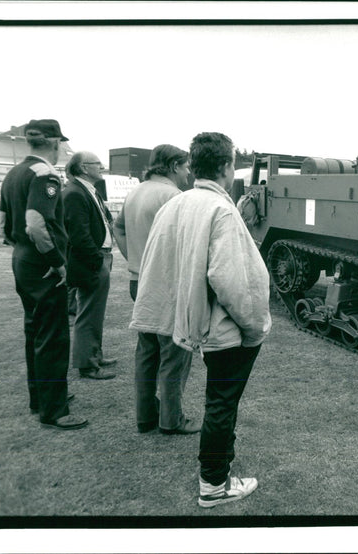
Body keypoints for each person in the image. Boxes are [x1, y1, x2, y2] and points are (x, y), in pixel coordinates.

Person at [130, 132, 271, 508]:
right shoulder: (220, 209)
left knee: (218, 401)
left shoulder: (178, 204)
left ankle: (218, 472)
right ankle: (214, 483)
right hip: (225, 329)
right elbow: (234, 281)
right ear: (227, 167)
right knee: (222, 403)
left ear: (193, 166)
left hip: (199, 322)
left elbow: (158, 264)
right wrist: (255, 327)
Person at [0, 119, 87, 430]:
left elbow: (3, 219)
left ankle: (41, 398)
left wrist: (20, 246)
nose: (62, 149)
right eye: (61, 144)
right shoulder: (43, 173)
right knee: (53, 335)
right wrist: (56, 260)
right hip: (42, 262)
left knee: (34, 330)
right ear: (53, 142)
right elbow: (35, 220)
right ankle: (54, 410)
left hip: (22, 257)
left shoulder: (14, 172)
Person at [112, 144, 196, 434]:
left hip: (139, 281)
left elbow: (118, 228)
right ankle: (171, 420)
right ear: (173, 165)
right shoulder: (173, 196)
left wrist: (136, 260)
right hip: (166, 284)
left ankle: (145, 415)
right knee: (175, 352)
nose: (189, 172)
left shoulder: (136, 191)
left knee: (147, 351)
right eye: (185, 165)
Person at [63, 151, 117, 380]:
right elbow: (78, 234)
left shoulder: (85, 190)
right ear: (84, 168)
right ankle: (87, 364)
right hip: (92, 260)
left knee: (95, 311)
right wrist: (96, 260)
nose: (102, 167)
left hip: (99, 257)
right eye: (97, 164)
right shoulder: (75, 193)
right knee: (88, 313)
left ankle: (94, 354)